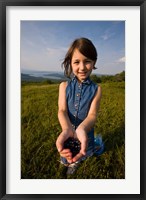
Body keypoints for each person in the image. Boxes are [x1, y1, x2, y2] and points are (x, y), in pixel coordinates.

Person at [56, 37, 103, 175]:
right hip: (68, 131)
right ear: (70, 63)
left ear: (94, 62)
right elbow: (62, 110)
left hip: (85, 132)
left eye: (87, 61)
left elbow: (93, 115)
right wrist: (67, 128)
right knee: (67, 151)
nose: (82, 67)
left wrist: (81, 128)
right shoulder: (63, 86)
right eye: (76, 62)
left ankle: (75, 163)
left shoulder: (97, 89)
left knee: (81, 151)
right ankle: (66, 162)